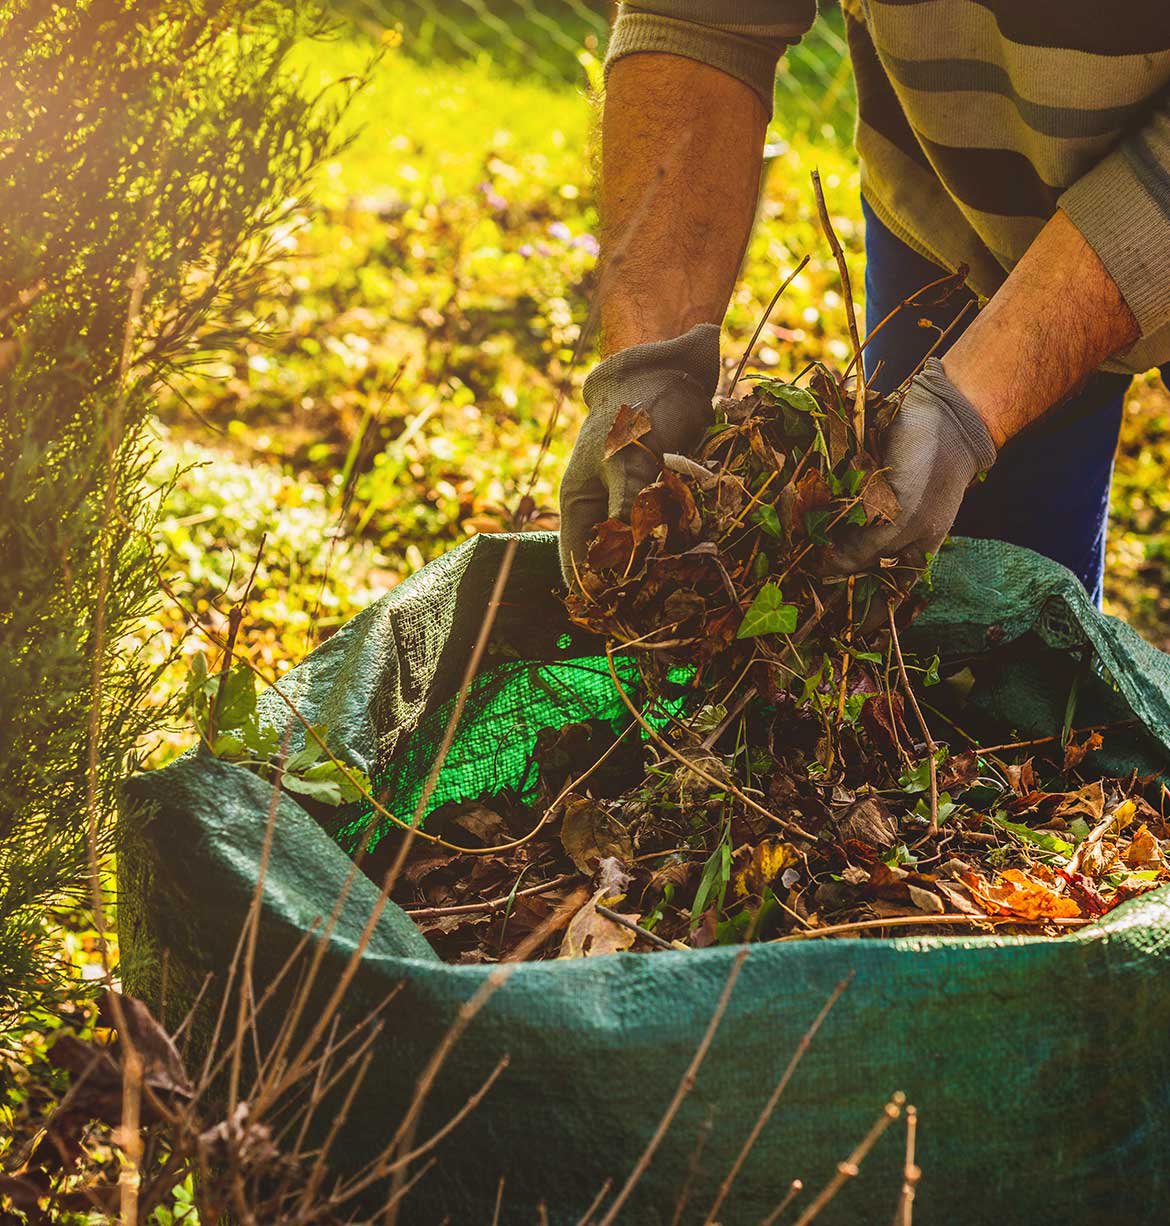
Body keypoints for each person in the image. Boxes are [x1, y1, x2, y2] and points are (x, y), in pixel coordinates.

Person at [558, 1, 1170, 603]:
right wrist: (649, 360)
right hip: (951, 197)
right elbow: (695, 17)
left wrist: (983, 392)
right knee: (968, 600)